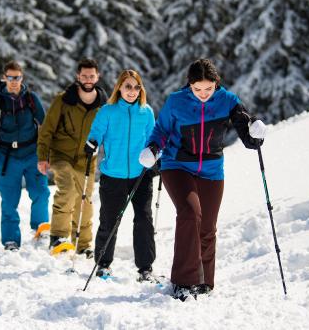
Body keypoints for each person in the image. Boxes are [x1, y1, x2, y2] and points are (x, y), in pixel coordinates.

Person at [139, 58, 267, 301]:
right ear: (189, 85)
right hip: (177, 165)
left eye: (208, 88)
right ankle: (183, 282)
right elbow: (161, 130)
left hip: (211, 170)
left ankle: (205, 282)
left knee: (207, 228)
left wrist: (255, 134)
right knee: (189, 212)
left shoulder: (227, 100)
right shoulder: (177, 101)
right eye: (197, 89)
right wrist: (153, 148)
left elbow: (246, 129)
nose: (203, 94)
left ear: (216, 84)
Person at [84, 69, 157, 282]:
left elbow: (153, 139)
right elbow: (95, 133)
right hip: (112, 175)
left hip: (140, 175)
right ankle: (103, 264)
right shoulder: (108, 111)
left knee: (144, 219)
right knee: (109, 219)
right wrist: (92, 143)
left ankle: (146, 268)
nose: (132, 91)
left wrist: (155, 155)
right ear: (119, 88)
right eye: (128, 86)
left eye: (136, 87)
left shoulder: (146, 112)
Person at [37, 58, 107, 258]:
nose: (87, 79)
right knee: (67, 189)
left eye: (91, 76)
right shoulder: (64, 100)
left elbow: (109, 133)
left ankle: (83, 245)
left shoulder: (103, 105)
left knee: (85, 201)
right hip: (62, 155)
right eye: (84, 75)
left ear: (97, 76)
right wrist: (43, 156)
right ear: (78, 76)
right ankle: (58, 237)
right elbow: (47, 130)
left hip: (87, 160)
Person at [0, 60, 50, 251]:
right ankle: (11, 240)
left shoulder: (31, 98)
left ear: (22, 78)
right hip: (8, 157)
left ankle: (41, 229)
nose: (13, 81)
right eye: (9, 77)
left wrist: (46, 155)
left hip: (32, 154)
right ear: (4, 78)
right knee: (9, 200)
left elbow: (46, 126)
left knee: (41, 192)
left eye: (17, 77)